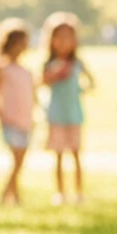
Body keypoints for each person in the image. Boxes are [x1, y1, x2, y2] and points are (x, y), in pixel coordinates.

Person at [40, 13, 95, 207]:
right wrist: (55, 76)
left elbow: (92, 83)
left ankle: (79, 192)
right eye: (60, 37)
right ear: (52, 40)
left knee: (76, 154)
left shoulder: (77, 63)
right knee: (58, 156)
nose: (64, 42)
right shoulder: (50, 64)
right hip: (56, 115)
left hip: (74, 114)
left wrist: (82, 90)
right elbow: (42, 83)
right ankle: (60, 193)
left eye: (69, 37)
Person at [0, 19, 35, 206]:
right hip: (10, 120)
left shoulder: (26, 71)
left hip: (26, 120)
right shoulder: (2, 69)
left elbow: (31, 94)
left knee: (20, 160)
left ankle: (14, 196)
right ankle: (6, 195)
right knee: (17, 160)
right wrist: (0, 116)